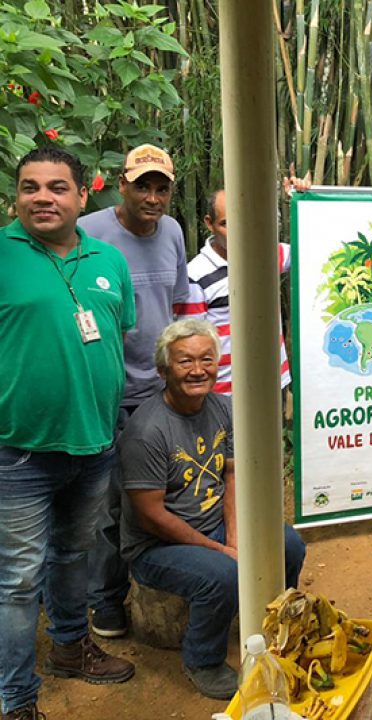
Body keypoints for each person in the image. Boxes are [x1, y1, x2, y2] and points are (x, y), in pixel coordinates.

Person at [0, 147, 136, 720]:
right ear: (17, 196)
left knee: (73, 554)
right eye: (30, 187)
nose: (42, 197)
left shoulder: (109, 258)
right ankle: (15, 699)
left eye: (57, 188)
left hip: (95, 444)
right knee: (16, 581)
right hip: (19, 452)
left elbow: (115, 337)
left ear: (84, 197)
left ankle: (69, 646)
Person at [119, 319, 307, 699]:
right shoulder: (147, 431)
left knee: (287, 542)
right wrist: (222, 551)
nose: (198, 369)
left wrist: (235, 536)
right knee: (221, 574)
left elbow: (232, 475)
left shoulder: (223, 408)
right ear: (163, 370)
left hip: (214, 527)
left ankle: (277, 626)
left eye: (207, 359)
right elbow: (151, 516)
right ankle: (202, 659)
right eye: (185, 361)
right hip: (157, 547)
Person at [79, 143, 190, 637]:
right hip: (107, 391)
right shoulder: (89, 232)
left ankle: (164, 585)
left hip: (159, 390)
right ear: (120, 185)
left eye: (161, 187)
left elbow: (180, 307)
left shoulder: (172, 231)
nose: (152, 196)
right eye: (141, 184)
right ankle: (104, 599)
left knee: (164, 493)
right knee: (112, 501)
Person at [180, 188, 292, 394]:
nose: (239, 231)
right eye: (226, 224)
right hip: (224, 393)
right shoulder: (194, 277)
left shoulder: (266, 254)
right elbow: (189, 342)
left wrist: (299, 198)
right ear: (209, 223)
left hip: (273, 383)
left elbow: (310, 249)